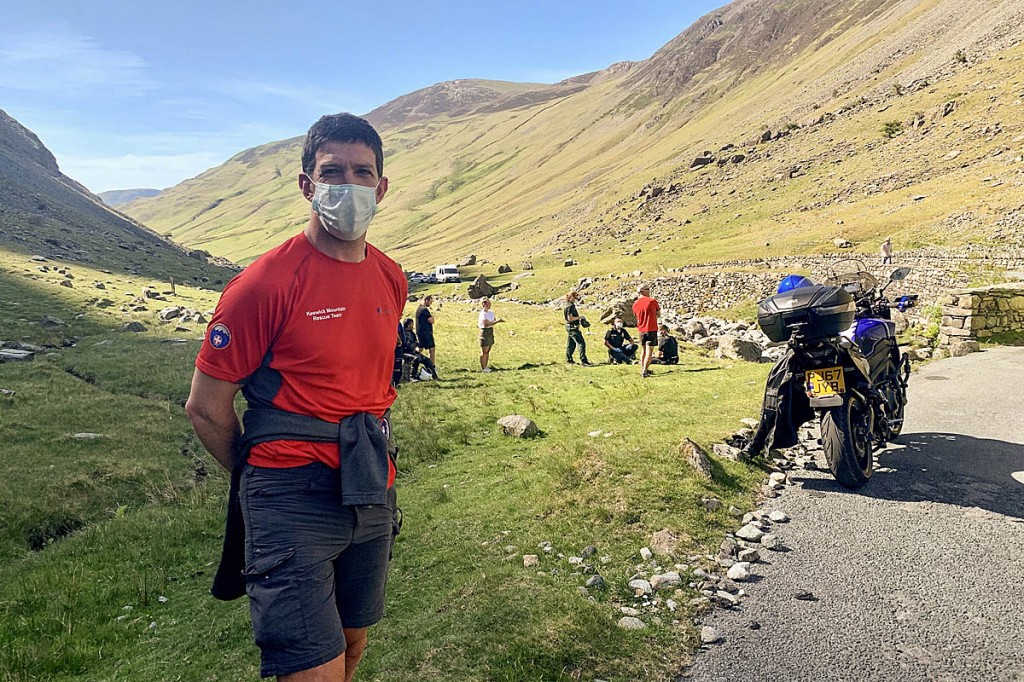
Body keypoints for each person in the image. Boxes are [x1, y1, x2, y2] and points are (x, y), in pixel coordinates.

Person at [185, 113, 405, 682]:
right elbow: (206, 407)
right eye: (333, 172)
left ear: (380, 188)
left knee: (353, 645)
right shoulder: (264, 284)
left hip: (369, 482)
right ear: (308, 184)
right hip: (289, 493)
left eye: (362, 172)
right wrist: (264, 482)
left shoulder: (390, 276)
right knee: (311, 669)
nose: (349, 185)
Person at [632, 284, 660, 378]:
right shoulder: (652, 301)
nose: (649, 291)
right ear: (643, 291)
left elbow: (636, 316)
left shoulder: (635, 304)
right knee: (649, 351)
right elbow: (658, 314)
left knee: (643, 350)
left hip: (641, 329)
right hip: (651, 328)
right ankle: (645, 371)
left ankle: (643, 368)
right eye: (648, 289)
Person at [563, 291, 593, 366]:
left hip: (570, 327)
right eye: (574, 297)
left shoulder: (568, 305)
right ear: (570, 297)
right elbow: (570, 318)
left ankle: (569, 359)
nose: (575, 299)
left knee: (571, 344)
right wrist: (580, 317)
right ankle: (583, 360)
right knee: (581, 343)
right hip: (572, 327)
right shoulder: (570, 306)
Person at [477, 298, 503, 372]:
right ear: (484, 304)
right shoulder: (482, 313)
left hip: (490, 331)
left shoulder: (491, 312)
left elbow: (492, 321)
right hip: (484, 331)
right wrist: (497, 321)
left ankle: (486, 366)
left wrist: (493, 322)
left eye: (490, 303)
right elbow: (486, 324)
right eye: (487, 303)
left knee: (488, 350)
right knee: (484, 350)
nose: (489, 305)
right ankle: (483, 367)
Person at [415, 295, 436, 364]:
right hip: (426, 333)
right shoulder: (424, 310)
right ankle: (432, 366)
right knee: (432, 349)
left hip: (420, 332)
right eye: (430, 301)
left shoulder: (419, 308)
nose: (431, 304)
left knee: (420, 347)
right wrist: (432, 317)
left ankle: (413, 360)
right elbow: (432, 321)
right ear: (426, 300)